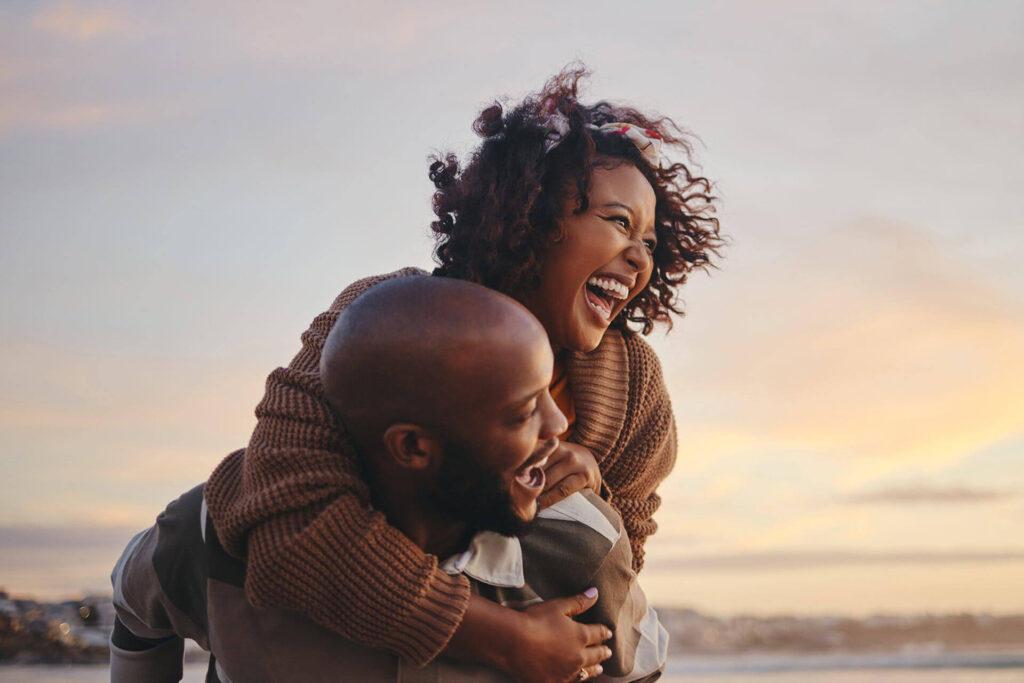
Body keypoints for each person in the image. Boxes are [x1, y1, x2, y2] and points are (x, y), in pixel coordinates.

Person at [204, 65, 722, 683]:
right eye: (617, 221)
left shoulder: (633, 383)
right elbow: (288, 520)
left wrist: (596, 496)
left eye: (650, 239)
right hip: (324, 642)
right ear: (532, 215)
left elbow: (616, 573)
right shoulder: (382, 320)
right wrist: (501, 638)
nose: (639, 257)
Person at [109, 277, 667, 683]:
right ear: (413, 446)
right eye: (524, 412)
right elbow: (135, 609)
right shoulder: (218, 530)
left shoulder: (580, 544)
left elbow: (640, 668)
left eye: (553, 390)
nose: (562, 425)